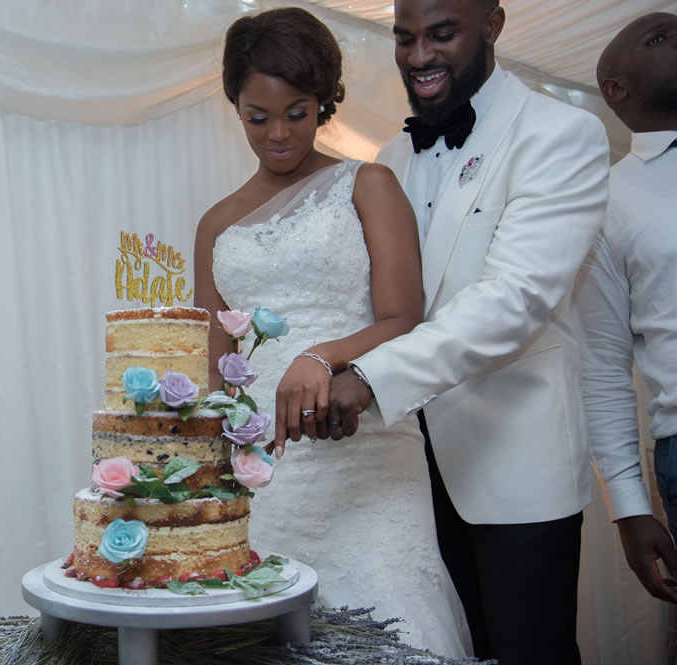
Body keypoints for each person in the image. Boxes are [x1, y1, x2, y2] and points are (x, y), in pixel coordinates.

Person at [311, 1, 610, 663]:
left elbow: (515, 301)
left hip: (514, 466)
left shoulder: (561, 133)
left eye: (442, 35)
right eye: (405, 38)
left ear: (493, 26)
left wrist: (369, 379)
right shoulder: (390, 157)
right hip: (404, 471)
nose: (420, 57)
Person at [194, 7, 470, 656]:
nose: (278, 134)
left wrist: (322, 356)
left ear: (324, 99)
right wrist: (215, 469)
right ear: (236, 109)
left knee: (390, 626)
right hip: (267, 465)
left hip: (364, 444)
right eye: (257, 118)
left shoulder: (367, 184)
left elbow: (404, 318)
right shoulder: (215, 224)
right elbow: (214, 367)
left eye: (297, 112)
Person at [574, 12, 677, 604]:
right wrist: (629, 506)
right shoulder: (607, 204)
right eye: (660, 38)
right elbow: (602, 364)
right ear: (615, 88)